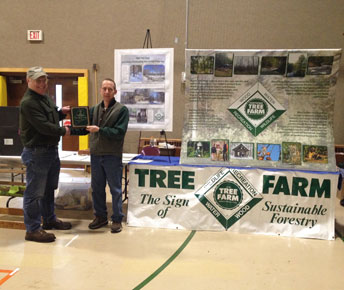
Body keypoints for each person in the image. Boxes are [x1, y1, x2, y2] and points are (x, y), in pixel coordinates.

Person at [20, 66, 72, 243]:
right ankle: (33, 229)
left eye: (44, 80)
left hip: (50, 151)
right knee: (34, 193)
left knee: (49, 189)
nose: (42, 83)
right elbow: (42, 126)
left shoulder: (44, 98)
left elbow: (48, 118)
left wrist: (60, 113)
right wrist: (63, 131)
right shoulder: (28, 102)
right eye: (38, 80)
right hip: (37, 152)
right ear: (29, 81)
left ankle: (49, 219)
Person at [72, 78, 129, 233]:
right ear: (100, 90)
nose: (106, 91)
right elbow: (84, 128)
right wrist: (70, 129)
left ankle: (117, 219)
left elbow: (119, 132)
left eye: (110, 89)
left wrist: (100, 130)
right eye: (104, 88)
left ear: (115, 92)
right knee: (97, 188)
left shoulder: (121, 110)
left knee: (115, 189)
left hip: (112, 155)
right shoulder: (94, 109)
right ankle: (100, 217)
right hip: (96, 155)